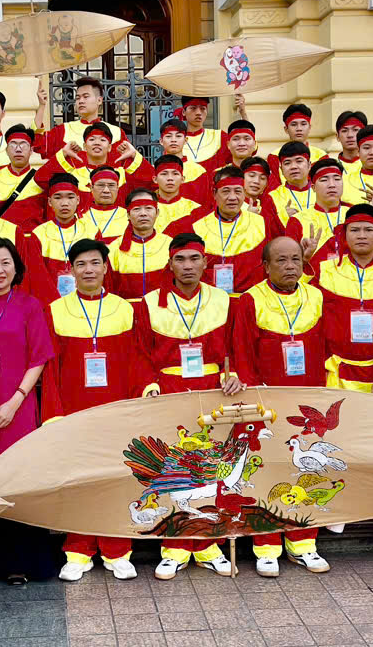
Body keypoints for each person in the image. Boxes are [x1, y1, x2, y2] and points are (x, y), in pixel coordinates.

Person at [134, 233, 244, 579]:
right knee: (176, 472)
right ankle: (175, 547)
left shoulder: (223, 299)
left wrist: (234, 373)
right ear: (169, 264)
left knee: (209, 471)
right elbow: (140, 351)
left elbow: (234, 346)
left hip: (213, 389)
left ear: (205, 262)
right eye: (180, 260)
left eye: (194, 259)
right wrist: (150, 384)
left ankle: (209, 545)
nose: (188, 266)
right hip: (170, 389)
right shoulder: (149, 302)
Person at [0, 237, 59, 585]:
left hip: (16, 405)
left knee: (19, 479)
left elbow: (40, 357)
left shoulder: (30, 305)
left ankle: (24, 562)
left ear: (16, 268)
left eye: (5, 263)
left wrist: (17, 399)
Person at [234, 236, 330, 576]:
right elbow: (243, 353)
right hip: (269, 403)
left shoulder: (316, 296)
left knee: (307, 471)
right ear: (266, 266)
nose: (290, 267)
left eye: (296, 260)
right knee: (268, 472)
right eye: (282, 261)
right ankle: (266, 544)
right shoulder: (250, 300)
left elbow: (326, 347)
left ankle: (303, 542)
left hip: (308, 402)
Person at [43, 238, 138, 582]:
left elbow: (136, 360)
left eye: (95, 263)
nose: (88, 270)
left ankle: (117, 550)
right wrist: (54, 413)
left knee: (116, 479)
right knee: (78, 482)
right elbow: (50, 369)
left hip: (115, 409)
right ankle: (78, 550)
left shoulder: (125, 309)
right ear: (70, 270)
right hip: (74, 411)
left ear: (106, 268)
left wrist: (138, 399)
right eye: (81, 264)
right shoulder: (55, 309)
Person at [309, 204, 373, 537]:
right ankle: (341, 503)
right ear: (343, 235)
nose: (361, 236)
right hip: (339, 369)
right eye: (354, 230)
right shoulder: (324, 270)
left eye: (368, 229)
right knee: (340, 441)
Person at [169, 167, 271, 295]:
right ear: (214, 193)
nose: (232, 197)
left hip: (249, 300)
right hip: (207, 301)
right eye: (226, 191)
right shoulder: (194, 224)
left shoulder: (262, 222)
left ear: (244, 193)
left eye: (238, 191)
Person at [35, 123, 152, 199]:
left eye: (102, 140)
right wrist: (63, 154)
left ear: (110, 147)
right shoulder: (73, 171)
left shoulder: (121, 172)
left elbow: (153, 182)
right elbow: (41, 179)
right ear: (85, 146)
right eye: (92, 139)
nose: (97, 143)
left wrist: (135, 156)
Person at [30, 173, 95, 301]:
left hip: (85, 301)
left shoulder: (91, 231)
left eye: (70, 197)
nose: (64, 203)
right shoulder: (38, 234)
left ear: (78, 200)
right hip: (49, 303)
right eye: (58, 197)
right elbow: (37, 277)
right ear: (49, 202)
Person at [35, 75, 128, 158]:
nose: (81, 101)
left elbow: (128, 165)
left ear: (99, 100)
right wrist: (42, 105)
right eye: (78, 98)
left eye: (86, 96)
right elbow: (37, 144)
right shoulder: (64, 130)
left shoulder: (116, 133)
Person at [104, 188, 173, 299]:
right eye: (137, 209)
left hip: (163, 311)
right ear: (128, 214)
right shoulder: (113, 249)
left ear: (157, 212)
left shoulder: (170, 245)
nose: (143, 214)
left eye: (149, 208)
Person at [284, 157, 346, 262]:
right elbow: (290, 263)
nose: (332, 185)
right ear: (313, 187)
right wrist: (304, 259)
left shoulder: (355, 215)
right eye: (324, 180)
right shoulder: (297, 220)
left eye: (337, 179)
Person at [0, 124, 44, 228]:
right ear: (7, 150)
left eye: (23, 145)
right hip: (3, 240)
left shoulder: (41, 179)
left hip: (33, 239)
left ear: (31, 150)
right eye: (13, 145)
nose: (18, 150)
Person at [180, 94, 248, 165]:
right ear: (183, 112)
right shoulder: (175, 140)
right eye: (193, 108)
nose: (198, 113)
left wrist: (243, 113)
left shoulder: (219, 137)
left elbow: (246, 149)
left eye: (203, 108)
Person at [262, 142, 314, 233]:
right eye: (287, 163)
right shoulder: (272, 198)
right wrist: (283, 217)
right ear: (281, 169)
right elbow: (266, 235)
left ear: (309, 165)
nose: (293, 167)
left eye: (299, 161)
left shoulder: (322, 191)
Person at [155, 118, 210, 203]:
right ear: (161, 141)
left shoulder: (198, 171)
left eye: (178, 136)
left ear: (185, 140)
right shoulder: (154, 170)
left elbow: (205, 202)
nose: (173, 140)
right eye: (168, 136)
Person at [152, 155, 202, 232]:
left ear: (182, 179)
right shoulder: (147, 209)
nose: (170, 178)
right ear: (155, 179)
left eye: (175, 174)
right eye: (164, 174)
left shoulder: (195, 209)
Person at [82, 167, 130, 240]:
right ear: (91, 187)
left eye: (111, 185)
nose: (106, 190)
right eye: (101, 185)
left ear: (117, 188)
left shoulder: (129, 217)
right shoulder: (79, 217)